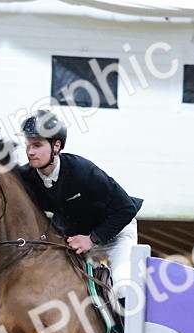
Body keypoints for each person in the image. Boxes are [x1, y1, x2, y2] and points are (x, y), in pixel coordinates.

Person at [14, 109, 143, 295]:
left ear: (56, 145)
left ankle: (129, 323)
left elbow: (127, 208)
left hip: (116, 234)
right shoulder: (26, 176)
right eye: (28, 145)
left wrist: (93, 239)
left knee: (123, 286)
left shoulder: (83, 171)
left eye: (37, 145)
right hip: (76, 240)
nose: (30, 152)